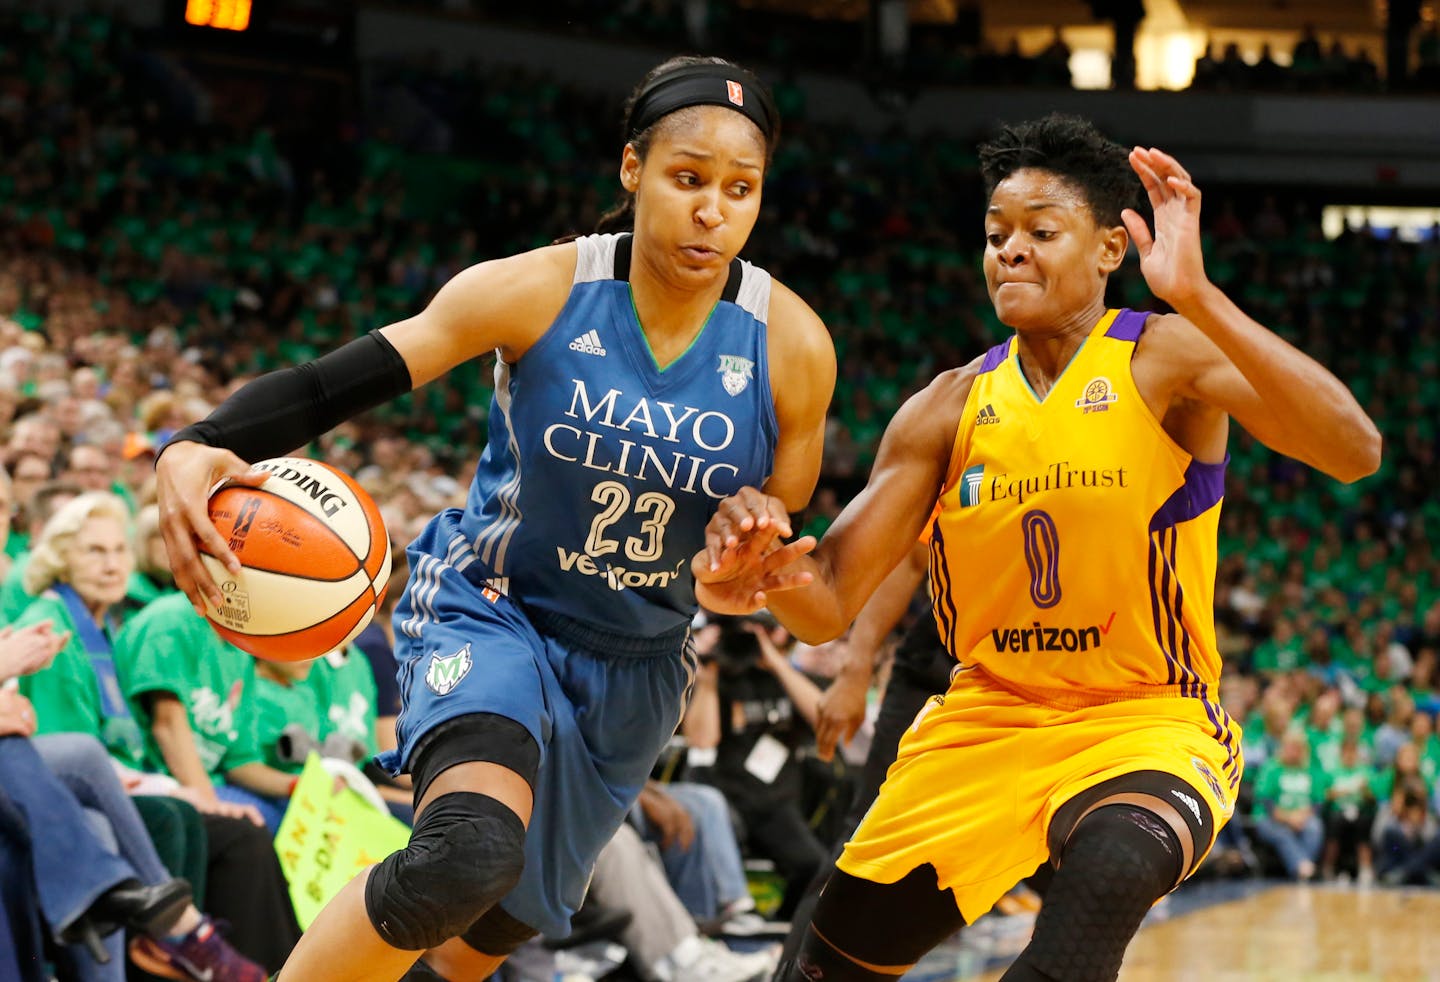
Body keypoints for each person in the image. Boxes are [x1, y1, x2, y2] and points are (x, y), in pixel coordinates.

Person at [155, 55, 834, 981]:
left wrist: (742, 557)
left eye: (740, 189)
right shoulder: (540, 288)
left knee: (478, 946)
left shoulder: (792, 346)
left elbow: (750, 566)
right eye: (687, 178)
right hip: (494, 606)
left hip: (637, 667)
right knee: (463, 857)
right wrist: (195, 439)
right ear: (633, 171)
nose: (712, 209)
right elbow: (342, 379)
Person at [695, 114, 1380, 980]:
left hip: (1144, 719)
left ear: (1108, 251)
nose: (1010, 252)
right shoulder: (945, 408)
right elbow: (828, 600)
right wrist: (761, 574)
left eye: (1040, 232)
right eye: (995, 235)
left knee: (1112, 876)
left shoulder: (1162, 360)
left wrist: (1198, 295)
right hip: (984, 721)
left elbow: (1354, 451)